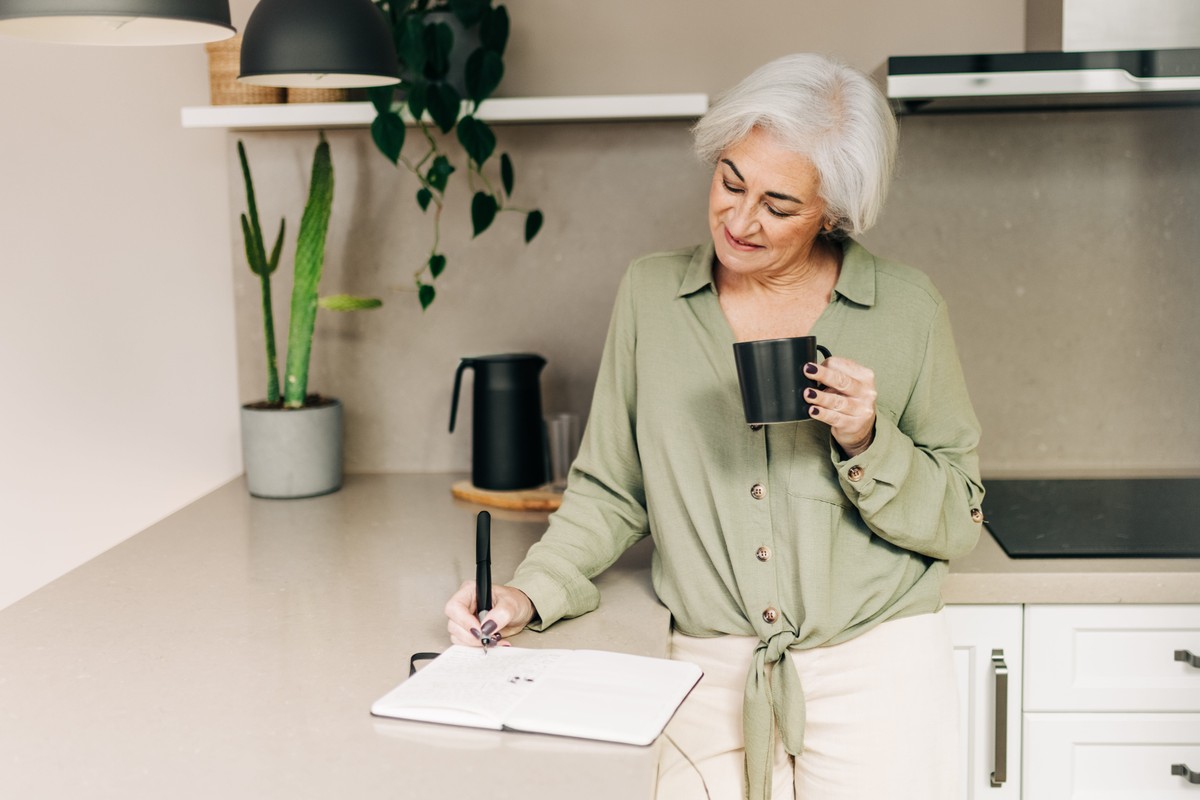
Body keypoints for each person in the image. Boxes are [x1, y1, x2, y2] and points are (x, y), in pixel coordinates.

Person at [445, 52, 984, 800]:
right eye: (731, 181)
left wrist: (869, 439)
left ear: (832, 211)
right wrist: (526, 593)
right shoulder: (652, 296)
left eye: (779, 205)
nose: (739, 218)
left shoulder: (908, 309)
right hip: (707, 671)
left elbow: (959, 518)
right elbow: (610, 490)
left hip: (880, 669)